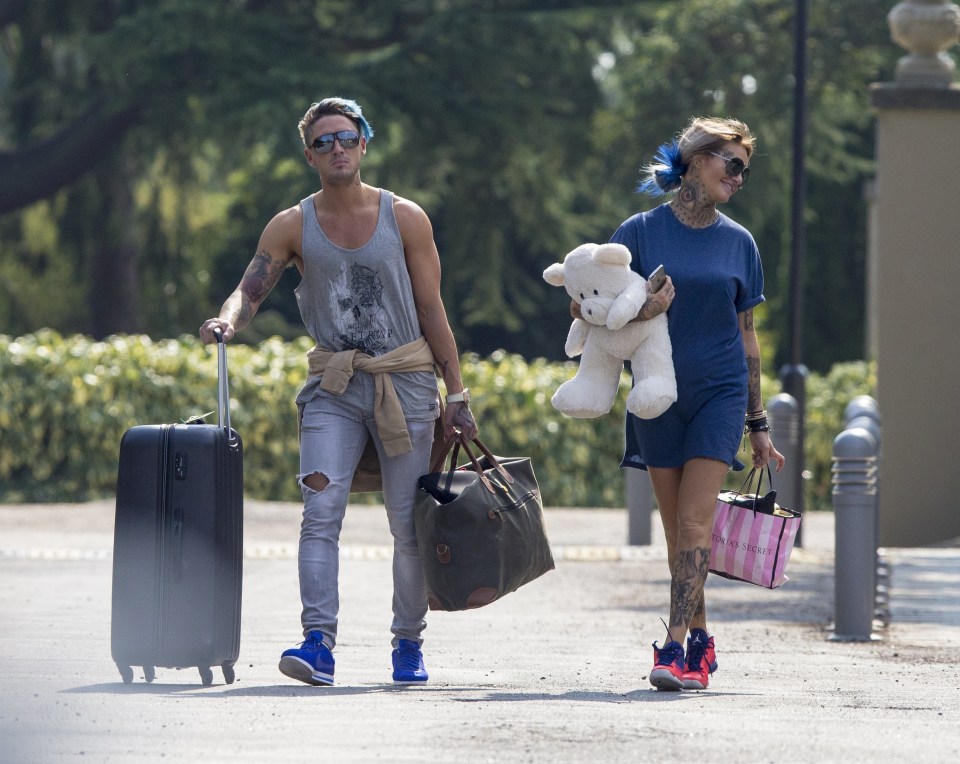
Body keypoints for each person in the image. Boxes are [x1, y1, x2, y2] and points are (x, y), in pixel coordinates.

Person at [199, 97, 477, 687]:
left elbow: (431, 308)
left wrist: (457, 394)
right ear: (310, 155)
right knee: (320, 513)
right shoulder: (291, 224)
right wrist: (226, 321)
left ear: (364, 144)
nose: (337, 149)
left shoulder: (405, 218)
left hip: (404, 379)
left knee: (407, 522)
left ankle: (408, 645)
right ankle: (318, 642)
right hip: (334, 383)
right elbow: (248, 292)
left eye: (346, 138)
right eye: (324, 142)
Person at [593, 117, 785, 691]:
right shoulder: (638, 232)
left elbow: (747, 334)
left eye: (745, 169)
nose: (739, 176)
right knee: (678, 533)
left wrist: (758, 422)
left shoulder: (739, 242)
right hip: (657, 394)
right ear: (697, 159)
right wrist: (645, 312)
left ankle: (674, 647)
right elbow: (588, 309)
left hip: (720, 393)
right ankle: (701, 643)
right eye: (732, 163)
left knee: (697, 518)